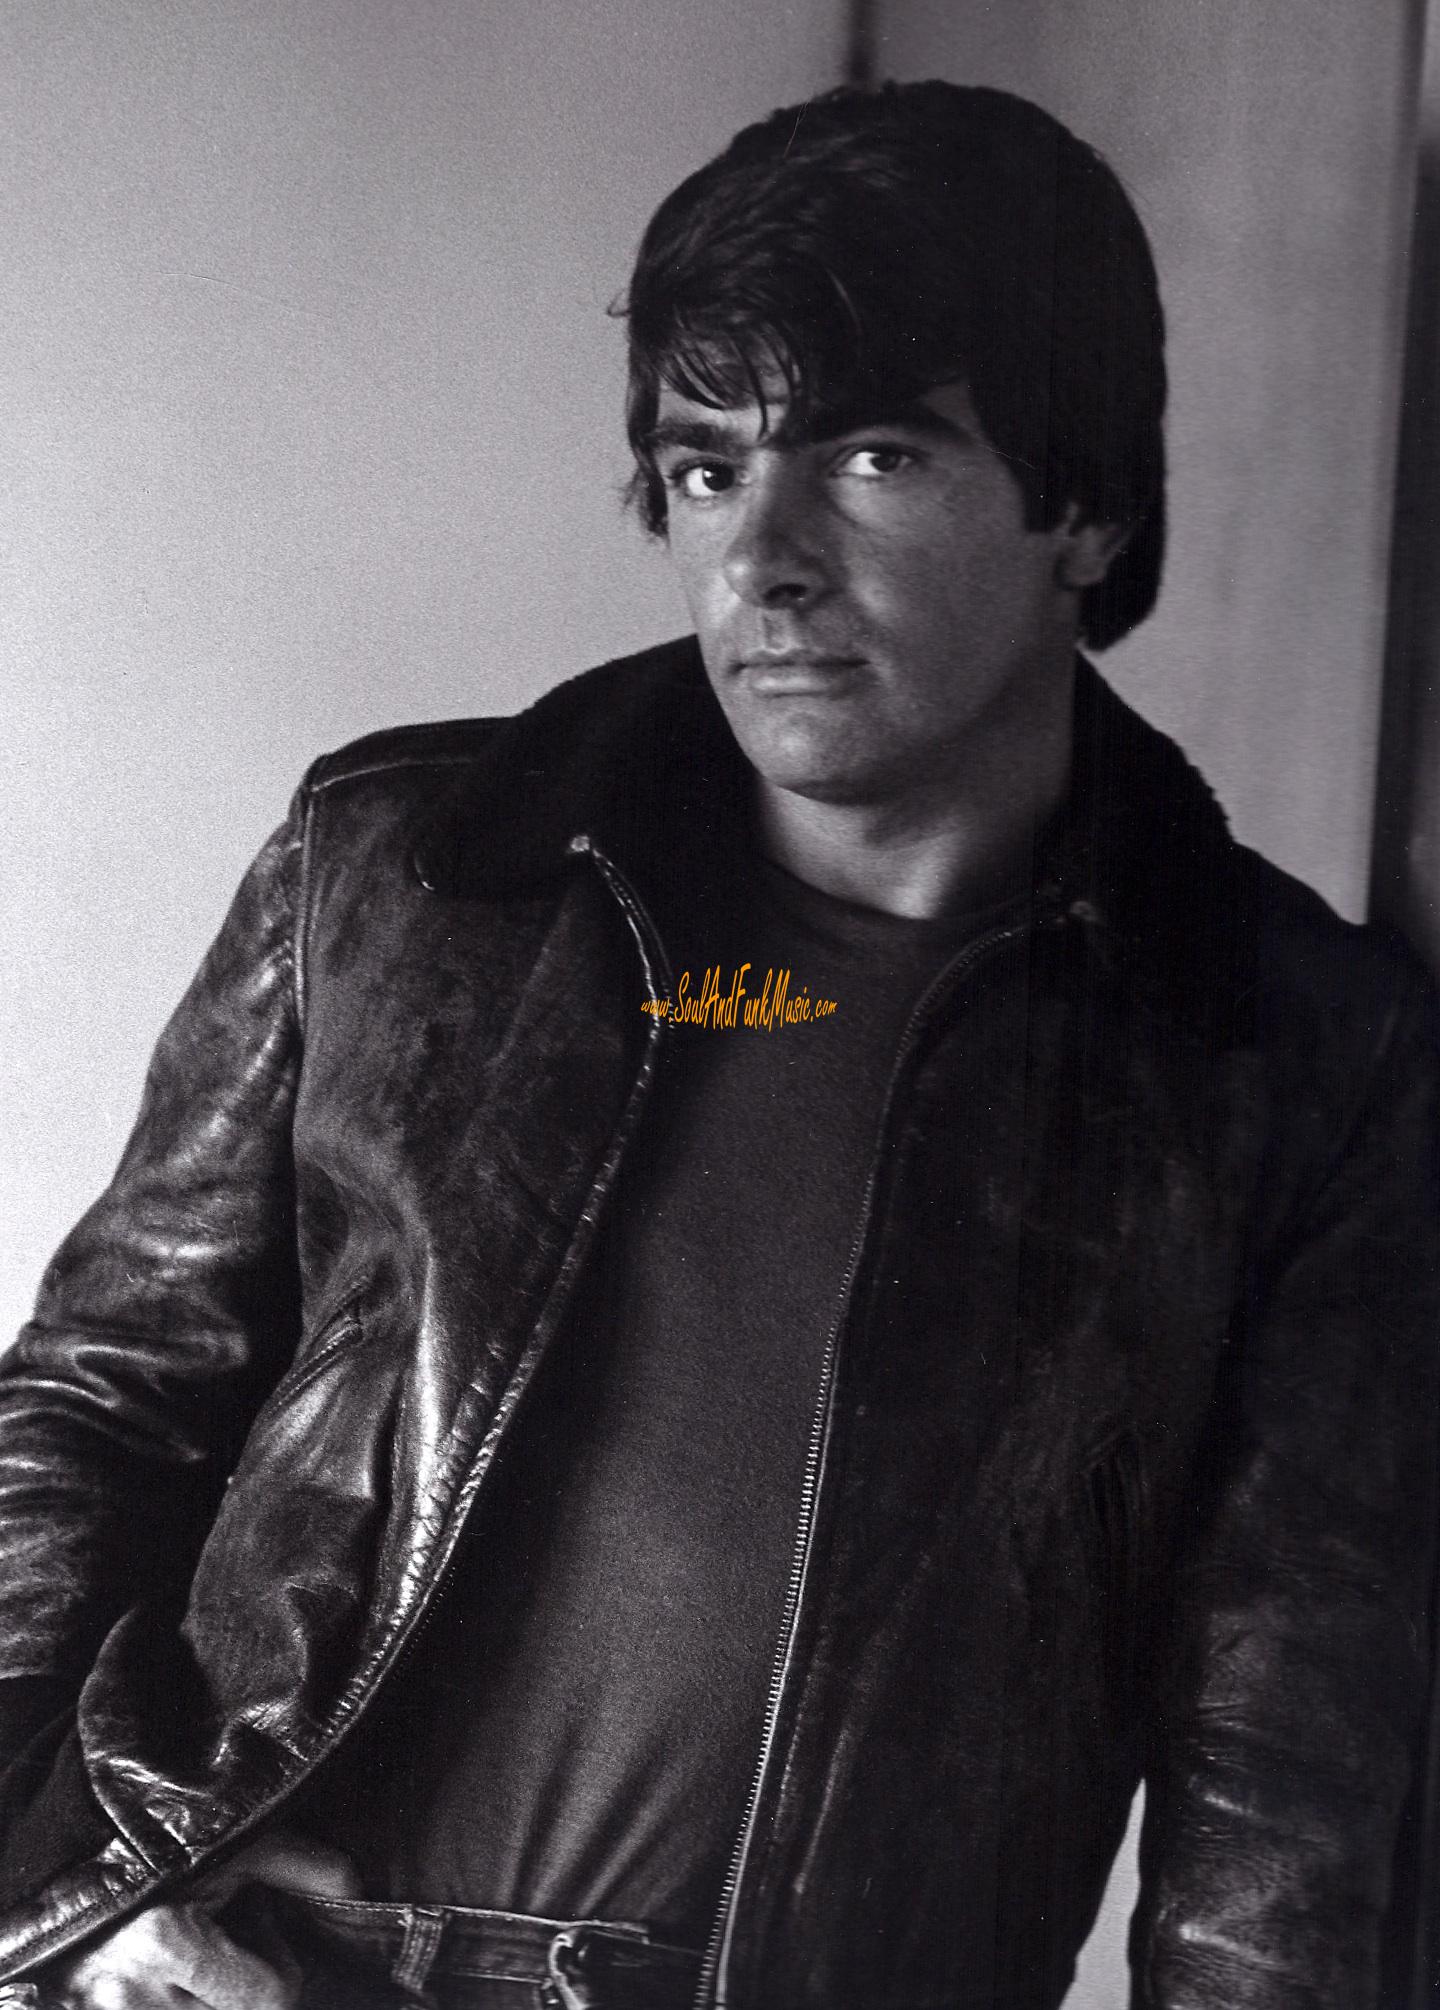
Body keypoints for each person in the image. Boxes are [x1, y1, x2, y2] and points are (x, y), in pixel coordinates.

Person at [0, 77, 1435, 2010]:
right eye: (703, 468)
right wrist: (56, 1896)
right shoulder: (407, 869)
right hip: (231, 1959)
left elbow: (1281, 1764)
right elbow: (96, 1409)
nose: (761, 558)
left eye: (873, 457)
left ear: (1085, 506)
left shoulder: (1294, 1055)